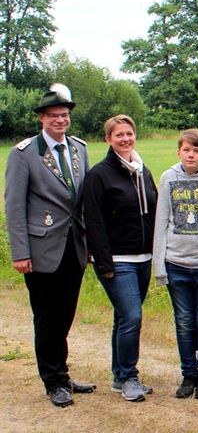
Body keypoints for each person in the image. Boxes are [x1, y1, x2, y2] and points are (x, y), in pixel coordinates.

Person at [4, 84, 95, 407]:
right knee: (46, 316)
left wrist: (92, 243)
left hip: (74, 246)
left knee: (66, 314)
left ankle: (63, 374)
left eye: (65, 115)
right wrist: (20, 252)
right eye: (54, 115)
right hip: (41, 247)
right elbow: (14, 206)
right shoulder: (24, 153)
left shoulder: (78, 149)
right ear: (42, 118)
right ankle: (53, 380)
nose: (61, 120)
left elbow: (84, 201)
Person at [83, 114, 158, 403]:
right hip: (117, 260)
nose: (125, 139)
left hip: (143, 258)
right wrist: (104, 263)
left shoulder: (143, 171)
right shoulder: (99, 175)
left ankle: (118, 376)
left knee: (123, 317)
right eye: (119, 135)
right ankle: (129, 376)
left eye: (129, 133)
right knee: (132, 317)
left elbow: (152, 211)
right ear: (108, 139)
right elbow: (94, 222)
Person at [152, 130, 198, 399]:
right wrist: (159, 267)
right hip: (176, 263)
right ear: (178, 153)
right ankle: (188, 374)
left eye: (196, 150)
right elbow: (161, 222)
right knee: (183, 322)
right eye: (186, 150)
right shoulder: (168, 178)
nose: (191, 155)